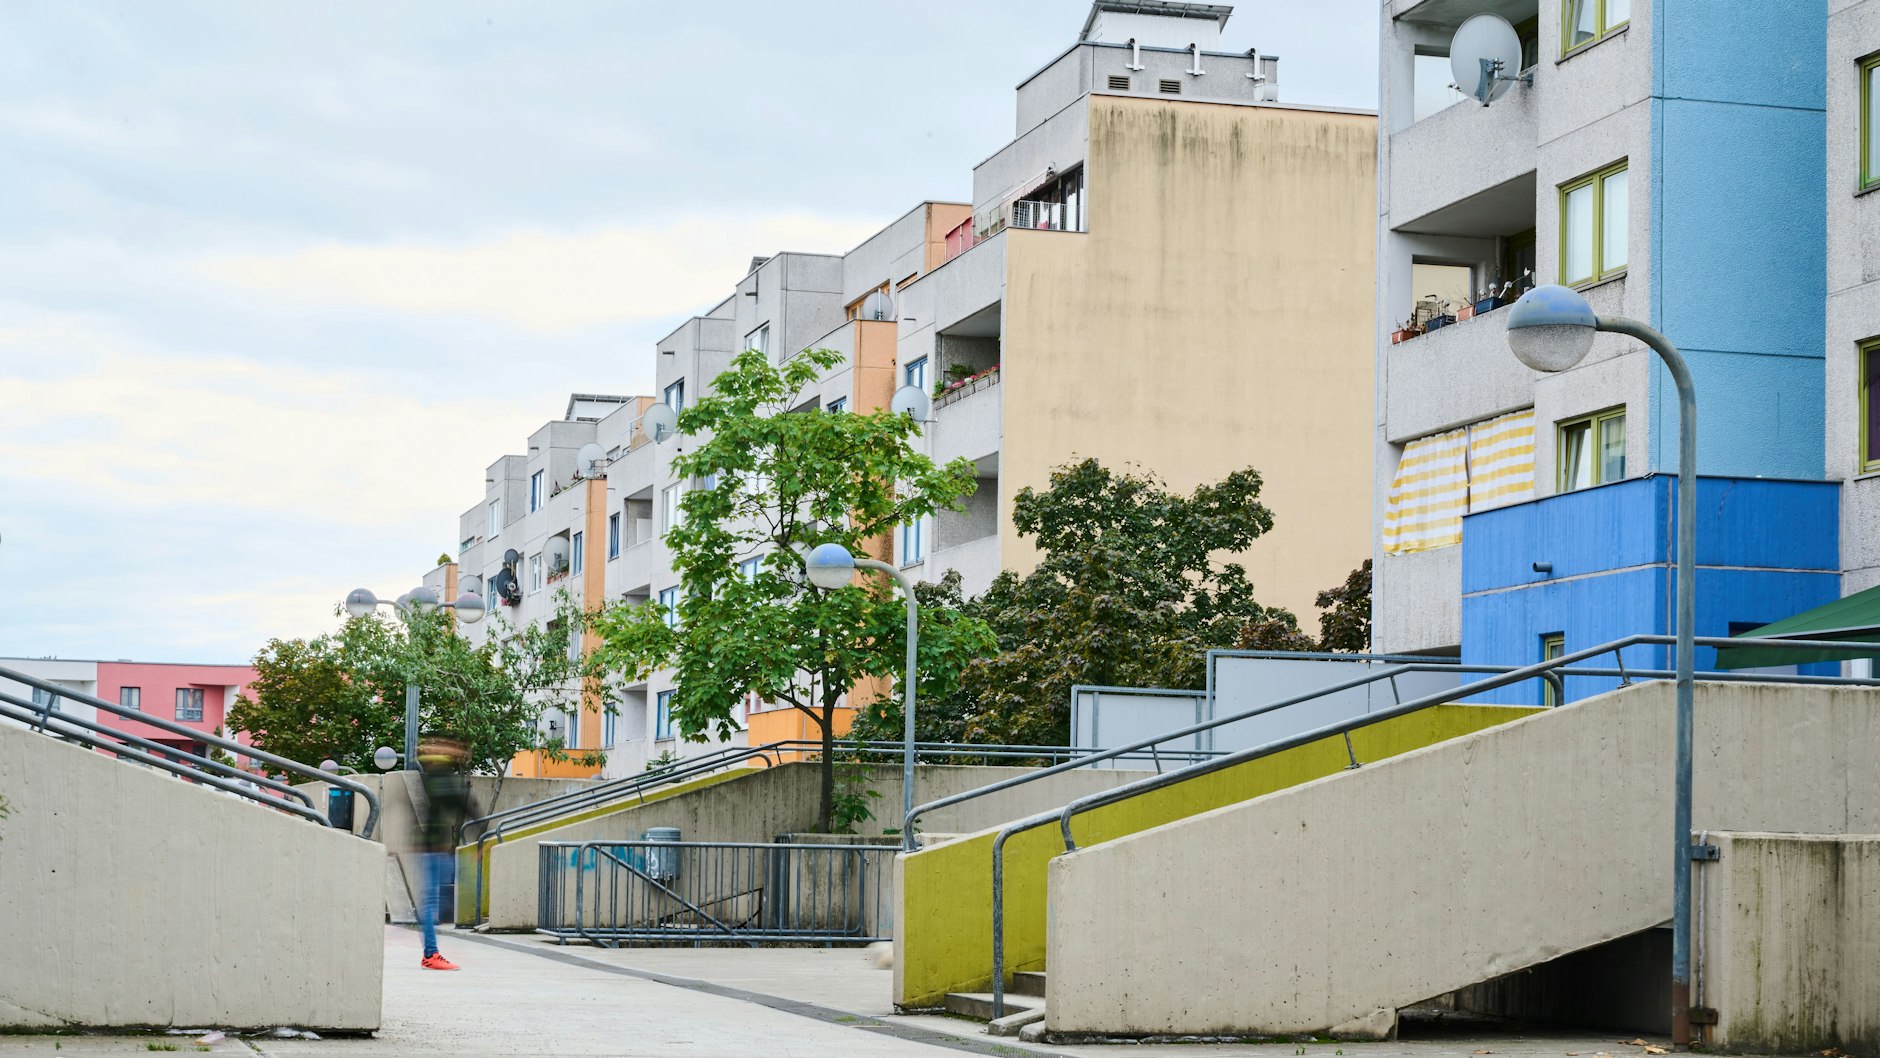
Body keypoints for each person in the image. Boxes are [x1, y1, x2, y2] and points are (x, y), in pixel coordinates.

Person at [412, 734, 471, 971]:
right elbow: (461, 803)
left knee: (432, 902)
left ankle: (430, 950)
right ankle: (430, 953)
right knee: (431, 904)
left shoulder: (432, 777)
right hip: (431, 849)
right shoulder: (438, 777)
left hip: (431, 848)